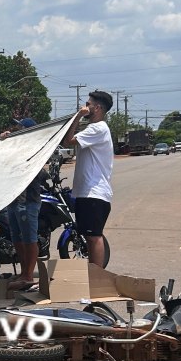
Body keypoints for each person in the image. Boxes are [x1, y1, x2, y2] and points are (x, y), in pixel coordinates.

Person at [61, 89, 114, 268]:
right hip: (85, 192)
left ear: (97, 108)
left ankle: (96, 278)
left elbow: (68, 140)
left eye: (88, 104)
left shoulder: (98, 128)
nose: (85, 107)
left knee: (93, 236)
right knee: (88, 237)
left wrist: (77, 115)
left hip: (95, 193)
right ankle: (92, 277)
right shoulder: (93, 129)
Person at [0, 117, 45, 290]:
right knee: (16, 237)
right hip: (13, 198)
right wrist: (5, 142)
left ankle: (28, 274)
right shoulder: (16, 147)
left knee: (28, 238)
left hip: (28, 200)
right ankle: (23, 271)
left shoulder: (35, 149)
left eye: (20, 127)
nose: (16, 129)